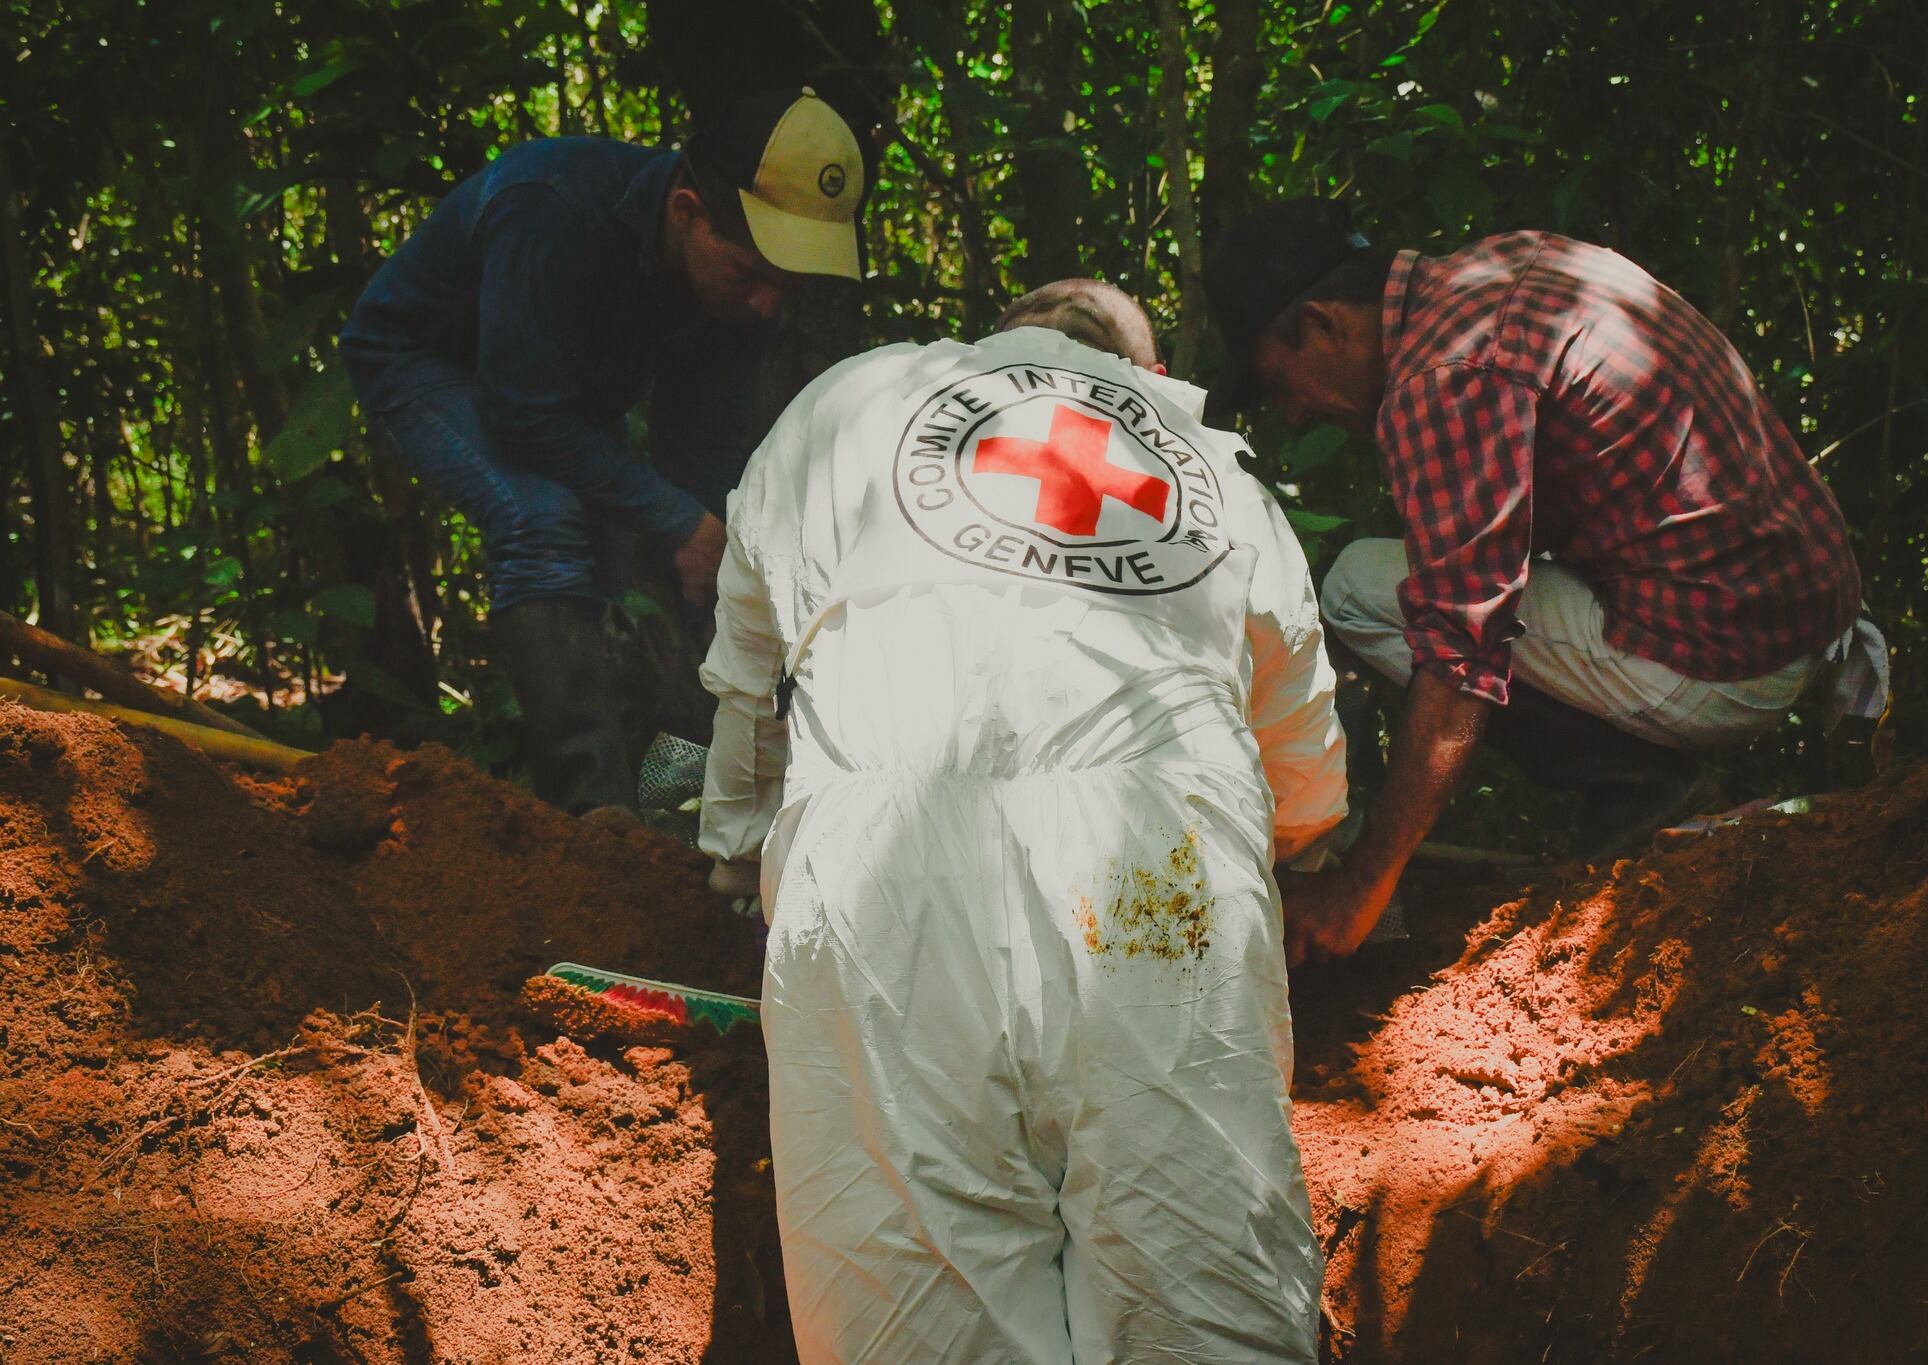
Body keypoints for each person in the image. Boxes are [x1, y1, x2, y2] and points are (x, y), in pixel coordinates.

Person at [698, 280, 1347, 1362]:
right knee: (1200, 1296)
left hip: (879, 875)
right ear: (1137, 373)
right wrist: (1296, 844)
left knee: (918, 1307)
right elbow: (1302, 749)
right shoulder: (1195, 451)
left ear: (996, 336)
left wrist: (732, 867)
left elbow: (745, 691)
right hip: (1158, 870)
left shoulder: (837, 404)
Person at [1202, 200, 1883, 964]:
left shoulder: (1441, 378)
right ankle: (1645, 772)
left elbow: (1462, 655)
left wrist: (1362, 890)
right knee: (1404, 582)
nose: (1290, 415)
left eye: (1278, 383)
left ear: (1324, 325)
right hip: (1804, 606)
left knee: (1358, 589)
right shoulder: (1499, 267)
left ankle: (1643, 783)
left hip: (1735, 656)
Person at [340, 88, 868, 815]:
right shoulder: (555, 209)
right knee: (539, 516)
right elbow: (518, 410)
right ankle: (592, 818)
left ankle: (666, 792)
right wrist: (677, 520)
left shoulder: (742, 296)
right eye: (751, 275)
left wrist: (708, 556)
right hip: (431, 362)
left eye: (787, 286)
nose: (767, 305)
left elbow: (699, 459)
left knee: (619, 555)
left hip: (557, 387)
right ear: (687, 213)